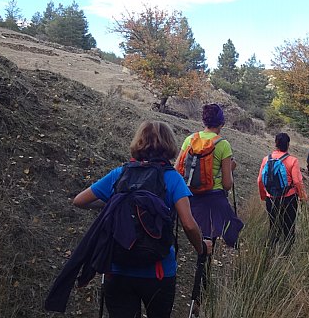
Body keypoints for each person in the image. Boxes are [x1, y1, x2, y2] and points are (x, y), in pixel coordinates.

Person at [46, 121, 212, 318]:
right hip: (158, 272)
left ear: (139, 142)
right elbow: (188, 223)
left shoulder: (121, 173)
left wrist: (114, 201)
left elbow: (79, 201)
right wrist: (201, 248)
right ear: (169, 145)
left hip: (117, 269)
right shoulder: (173, 178)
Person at [177, 103, 242, 248]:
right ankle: (207, 264)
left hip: (191, 196)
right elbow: (227, 184)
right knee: (229, 229)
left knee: (202, 235)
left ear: (204, 121)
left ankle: (202, 259)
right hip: (213, 197)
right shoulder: (223, 144)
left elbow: (177, 169)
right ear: (222, 123)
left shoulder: (190, 140)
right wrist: (231, 169)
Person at [257, 132, 307, 249]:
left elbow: (260, 180)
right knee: (289, 228)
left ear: (276, 143)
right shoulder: (292, 160)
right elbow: (297, 182)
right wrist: (303, 197)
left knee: (273, 226)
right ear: (288, 144)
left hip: (271, 198)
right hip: (289, 199)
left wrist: (264, 195)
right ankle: (286, 255)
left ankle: (269, 253)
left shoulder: (266, 159)